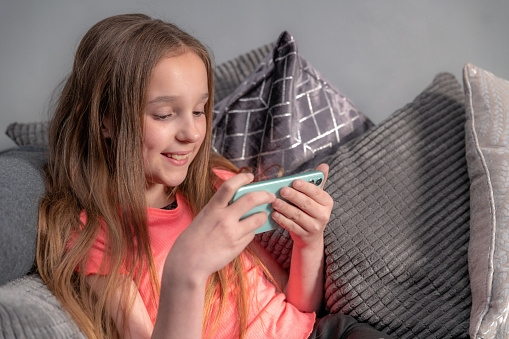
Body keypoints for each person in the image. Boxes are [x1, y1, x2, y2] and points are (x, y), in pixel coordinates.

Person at [36, 13, 393, 339]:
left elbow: (300, 309)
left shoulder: (215, 183)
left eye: (198, 110)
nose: (191, 133)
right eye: (164, 114)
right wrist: (186, 272)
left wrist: (308, 241)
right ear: (105, 120)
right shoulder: (96, 236)